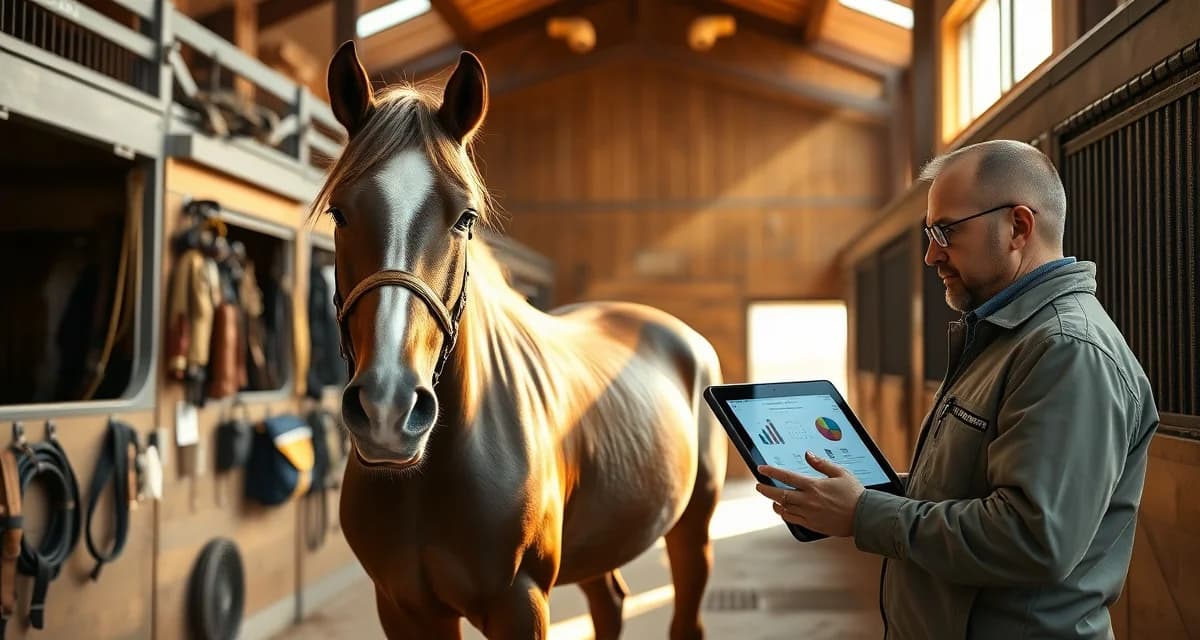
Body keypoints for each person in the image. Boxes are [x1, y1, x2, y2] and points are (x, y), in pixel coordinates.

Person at [755, 139, 1159, 639]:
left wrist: (865, 512)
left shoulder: (1066, 350)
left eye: (946, 231)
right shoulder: (1003, 337)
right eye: (929, 233)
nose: (930, 255)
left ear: (1018, 227)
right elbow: (975, 493)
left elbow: (1033, 537)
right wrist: (865, 492)